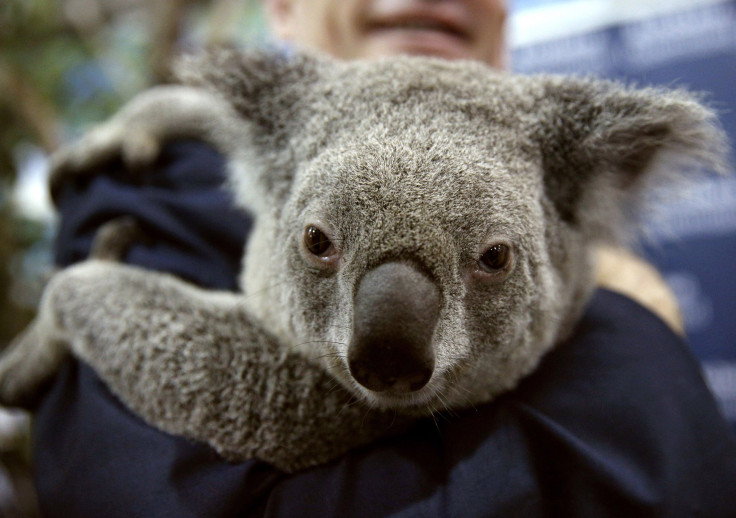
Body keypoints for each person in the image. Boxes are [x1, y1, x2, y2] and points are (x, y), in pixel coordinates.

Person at [33, 0, 736, 516]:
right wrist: (637, 337)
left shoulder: (560, 193)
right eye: (316, 242)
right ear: (281, 9)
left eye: (493, 258)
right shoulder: (153, 191)